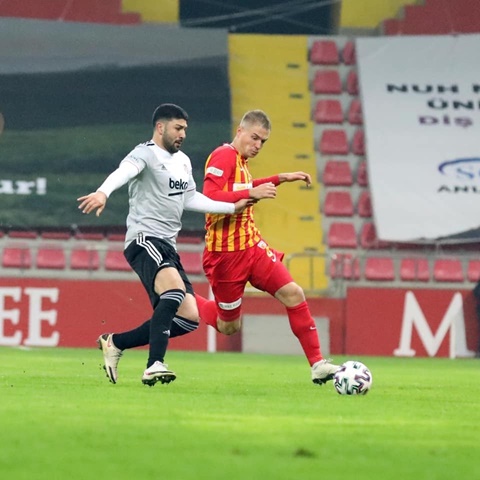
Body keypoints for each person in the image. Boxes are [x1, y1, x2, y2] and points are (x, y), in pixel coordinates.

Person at [77, 103, 251, 386]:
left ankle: (116, 342)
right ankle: (154, 364)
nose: (183, 134)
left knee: (189, 318)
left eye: (185, 129)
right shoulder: (144, 153)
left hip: (168, 244)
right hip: (144, 239)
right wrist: (103, 192)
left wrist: (232, 207)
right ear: (160, 127)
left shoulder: (182, 161)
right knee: (173, 292)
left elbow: (189, 198)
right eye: (178, 128)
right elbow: (123, 171)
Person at [195, 109, 339, 385]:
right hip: (226, 256)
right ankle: (182, 297)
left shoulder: (241, 161)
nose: (258, 145)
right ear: (239, 131)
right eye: (254, 137)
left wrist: (280, 178)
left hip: (252, 246)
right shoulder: (223, 155)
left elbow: (246, 187)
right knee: (229, 326)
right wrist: (251, 192)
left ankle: (318, 364)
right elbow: (210, 197)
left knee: (294, 293)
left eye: (263, 141)